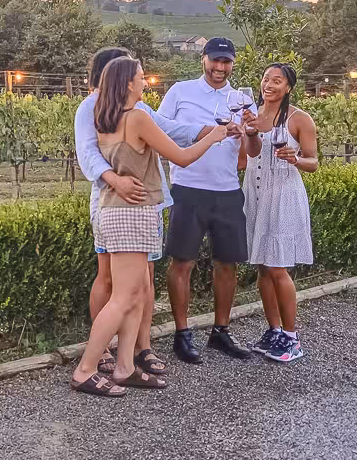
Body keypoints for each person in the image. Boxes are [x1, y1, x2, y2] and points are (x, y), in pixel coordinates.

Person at [71, 57, 230, 397]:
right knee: (124, 297)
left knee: (134, 293)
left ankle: (125, 365)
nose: (148, 82)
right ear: (128, 83)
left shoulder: (105, 118)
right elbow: (181, 156)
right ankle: (85, 369)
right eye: (143, 78)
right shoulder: (137, 118)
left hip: (117, 210)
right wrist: (215, 135)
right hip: (133, 212)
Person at [156, 38, 257, 363]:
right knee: (182, 262)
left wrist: (247, 135)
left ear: (232, 63)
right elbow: (159, 132)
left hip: (227, 190)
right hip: (188, 187)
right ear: (203, 60)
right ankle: (182, 334)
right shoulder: (180, 92)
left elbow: (247, 158)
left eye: (226, 62)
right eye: (215, 61)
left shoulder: (242, 100)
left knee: (227, 263)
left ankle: (221, 332)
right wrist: (200, 132)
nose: (220, 68)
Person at [242, 62, 319, 363]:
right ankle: (274, 331)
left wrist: (296, 158)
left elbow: (313, 161)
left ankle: (292, 337)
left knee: (277, 268)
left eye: (277, 80)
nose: (269, 85)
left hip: (283, 194)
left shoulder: (300, 119)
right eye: (265, 79)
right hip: (256, 193)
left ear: (288, 87)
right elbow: (250, 152)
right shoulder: (254, 114)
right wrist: (249, 131)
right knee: (262, 265)